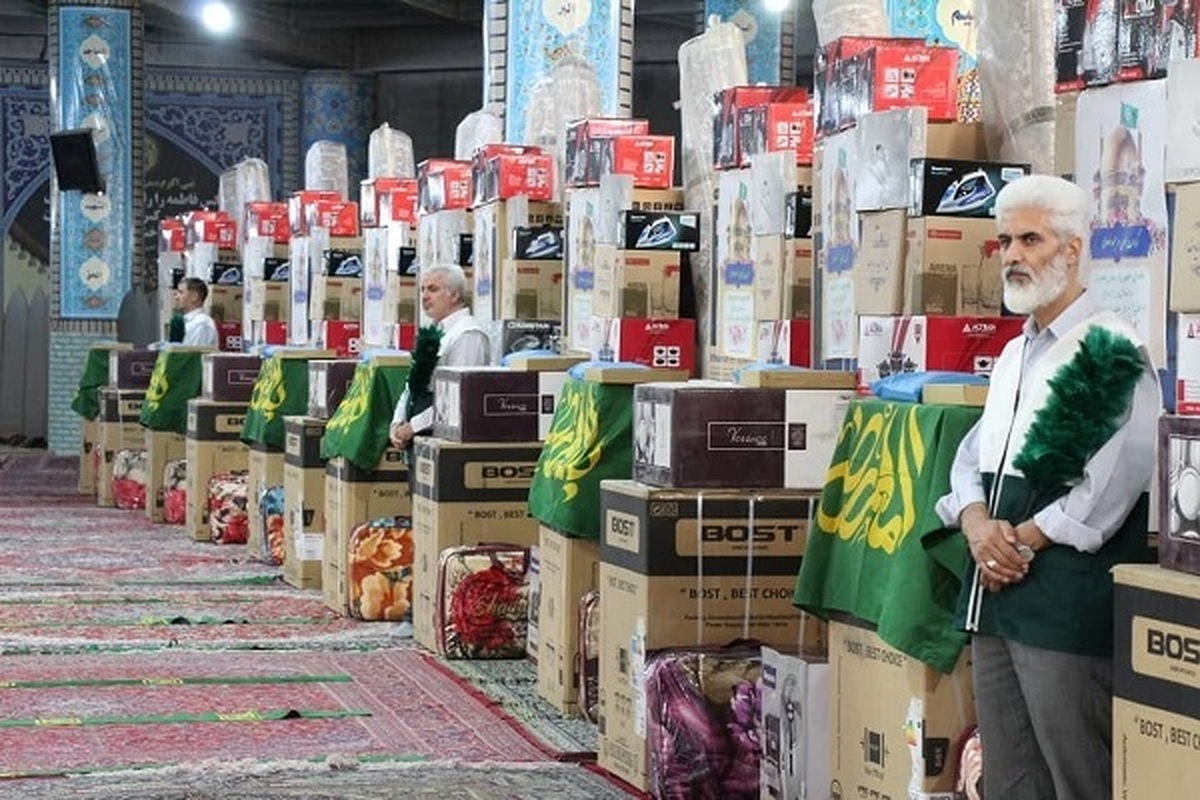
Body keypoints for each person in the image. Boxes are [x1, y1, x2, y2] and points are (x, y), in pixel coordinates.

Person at [933, 174, 1159, 800]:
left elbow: (1110, 489)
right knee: (1010, 779)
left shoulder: (1109, 349)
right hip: (996, 598)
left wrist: (1014, 543)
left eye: (1030, 239)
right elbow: (970, 457)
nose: (1012, 255)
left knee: (1076, 775)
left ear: (1072, 249)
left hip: (1062, 604)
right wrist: (976, 526)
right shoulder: (1014, 356)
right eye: (1005, 241)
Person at [389, 264, 490, 448]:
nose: (424, 296)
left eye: (433, 289)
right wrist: (396, 423)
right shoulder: (435, 332)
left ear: (455, 295)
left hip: (444, 440)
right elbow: (412, 385)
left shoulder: (468, 334)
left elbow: (459, 397)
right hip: (417, 436)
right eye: (422, 289)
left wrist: (413, 426)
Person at [173, 277, 218, 347]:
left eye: (181, 292)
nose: (176, 297)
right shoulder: (188, 322)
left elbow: (196, 353)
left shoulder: (201, 324)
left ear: (194, 297)